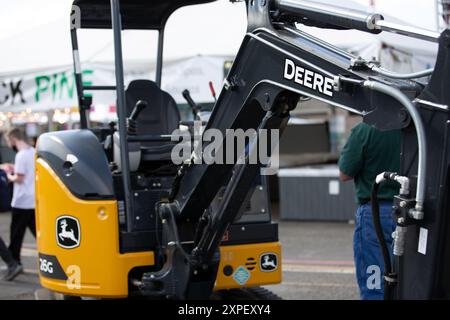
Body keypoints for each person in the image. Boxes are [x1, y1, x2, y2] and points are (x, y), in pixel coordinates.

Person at [338, 122, 401, 300]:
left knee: (375, 281)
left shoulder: (365, 130)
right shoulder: (419, 124)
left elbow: (345, 173)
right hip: (412, 212)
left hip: (375, 214)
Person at [3, 128, 36, 268]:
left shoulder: (21, 155)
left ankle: (14, 261)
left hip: (21, 200)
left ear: (13, 139)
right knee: (36, 231)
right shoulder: (33, 151)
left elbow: (19, 178)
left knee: (16, 233)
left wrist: (8, 176)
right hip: (33, 199)